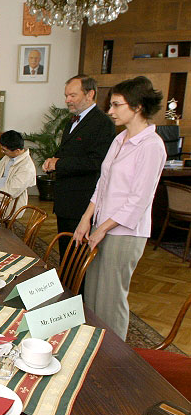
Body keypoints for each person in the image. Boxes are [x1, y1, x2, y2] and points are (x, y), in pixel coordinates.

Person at [73, 76, 166, 340]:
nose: (110, 111)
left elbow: (138, 199)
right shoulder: (120, 138)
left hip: (125, 232)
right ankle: (92, 344)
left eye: (116, 105)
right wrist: (86, 219)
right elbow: (103, 184)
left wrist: (102, 228)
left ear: (137, 107)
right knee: (92, 293)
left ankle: (114, 355)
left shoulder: (151, 146)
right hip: (103, 226)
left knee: (111, 298)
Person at [43, 75, 115, 258]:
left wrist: (60, 163)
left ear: (90, 94)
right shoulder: (72, 121)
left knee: (77, 256)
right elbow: (68, 152)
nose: (67, 100)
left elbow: (97, 162)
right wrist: (53, 160)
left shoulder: (102, 123)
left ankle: (74, 287)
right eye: (66, 95)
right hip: (65, 200)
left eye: (73, 95)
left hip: (81, 201)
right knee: (66, 254)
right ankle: (67, 284)